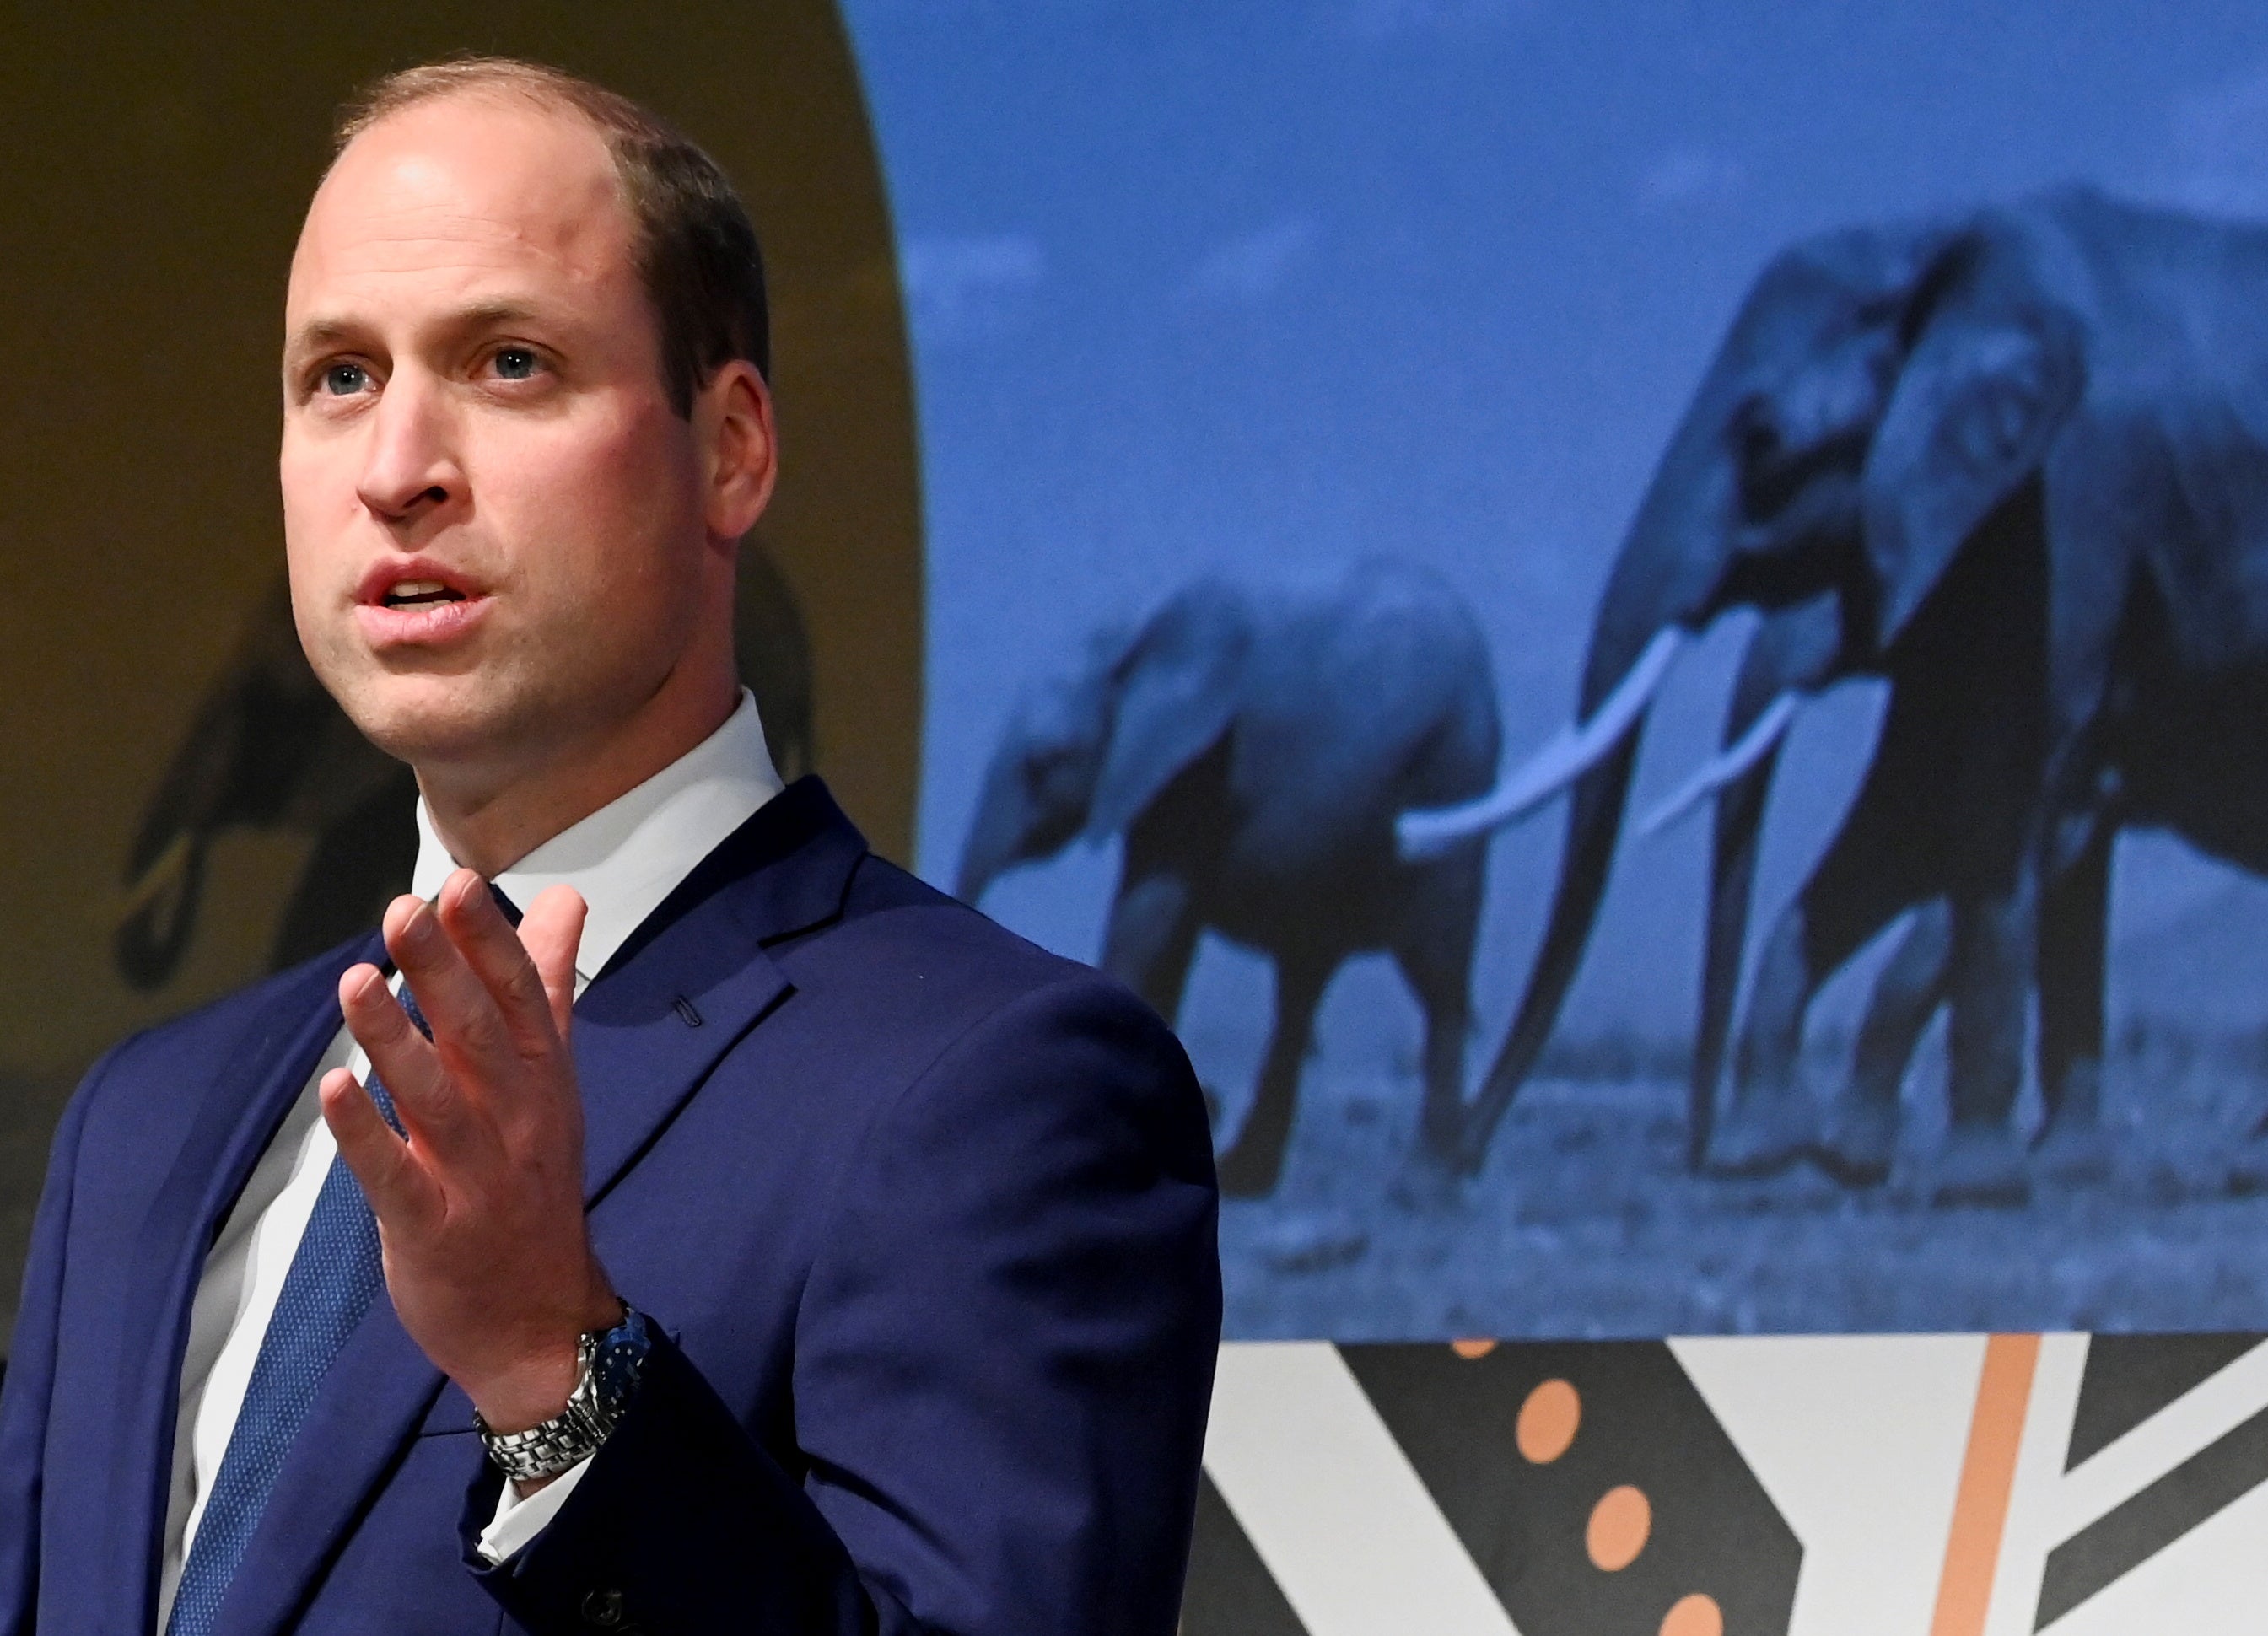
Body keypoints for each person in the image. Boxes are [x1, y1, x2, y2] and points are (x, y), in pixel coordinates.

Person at [0, 57, 1220, 1634]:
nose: (395, 470)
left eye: (508, 363)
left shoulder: (1003, 1090)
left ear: (731, 451)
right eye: (339, 379)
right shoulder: (144, 1128)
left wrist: (557, 1375)